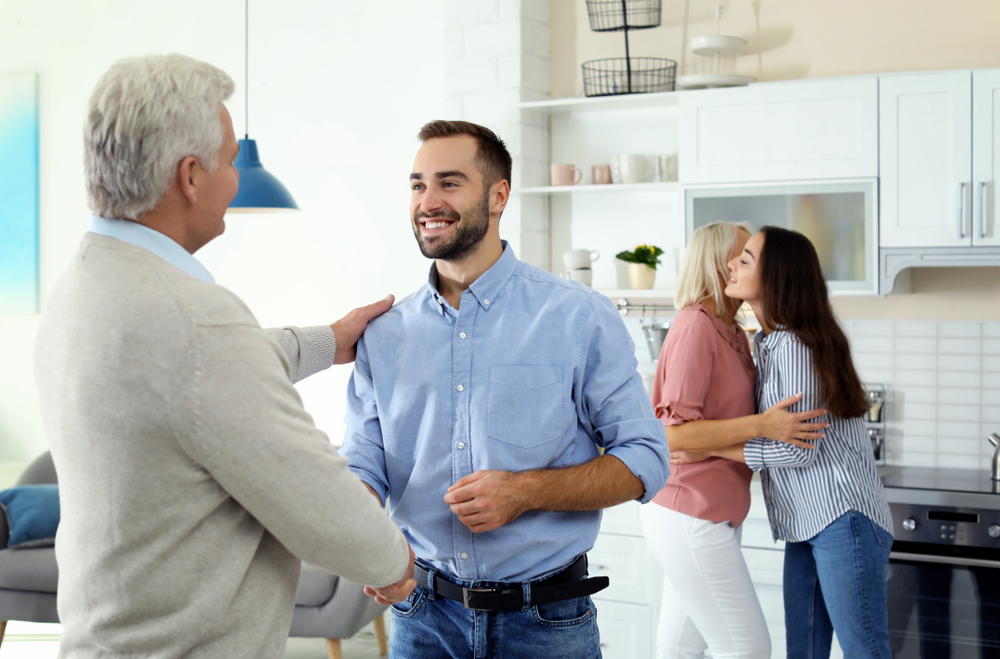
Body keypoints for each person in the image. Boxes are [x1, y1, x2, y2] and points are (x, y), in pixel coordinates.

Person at [34, 54, 415, 659]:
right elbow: (316, 497)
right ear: (190, 176)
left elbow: (194, 374)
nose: (236, 179)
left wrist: (329, 339)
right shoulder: (196, 323)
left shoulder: (85, 285)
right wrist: (393, 561)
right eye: (232, 160)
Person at [339, 120, 670, 659]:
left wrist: (525, 491)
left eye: (449, 183)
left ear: (499, 196)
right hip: (422, 619)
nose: (428, 201)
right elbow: (362, 461)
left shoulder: (577, 318)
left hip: (546, 624)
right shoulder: (383, 333)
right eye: (418, 185)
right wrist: (361, 537)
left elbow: (646, 460)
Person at [674, 225, 894, 658]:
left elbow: (791, 448)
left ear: (775, 275)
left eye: (746, 259)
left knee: (864, 651)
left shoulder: (793, 345)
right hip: (808, 524)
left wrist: (707, 446)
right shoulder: (771, 343)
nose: (731, 265)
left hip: (841, 517)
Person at [640, 222, 828, 659]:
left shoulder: (735, 334)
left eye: (749, 258)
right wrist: (761, 426)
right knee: (747, 648)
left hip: (708, 511)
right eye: (742, 254)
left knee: (680, 647)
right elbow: (672, 435)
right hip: (689, 511)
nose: (743, 264)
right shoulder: (695, 325)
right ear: (717, 262)